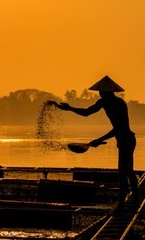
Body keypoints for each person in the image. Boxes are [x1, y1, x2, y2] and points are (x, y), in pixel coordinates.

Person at [49, 75, 138, 212]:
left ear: (109, 92)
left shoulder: (120, 104)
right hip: (121, 140)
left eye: (102, 92)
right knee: (128, 171)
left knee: (123, 173)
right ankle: (134, 201)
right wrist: (70, 108)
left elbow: (120, 128)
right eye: (100, 92)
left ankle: (122, 205)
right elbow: (86, 113)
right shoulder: (102, 103)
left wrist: (99, 139)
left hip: (127, 139)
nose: (100, 94)